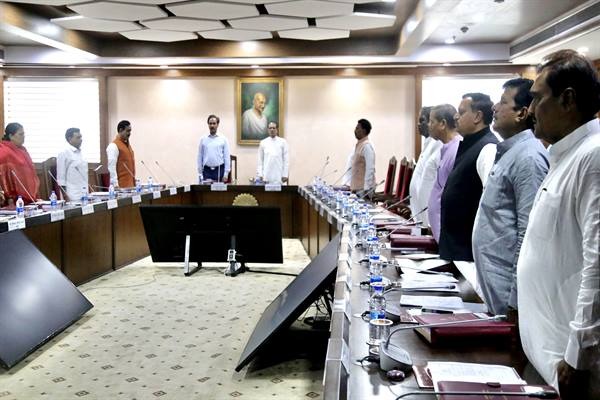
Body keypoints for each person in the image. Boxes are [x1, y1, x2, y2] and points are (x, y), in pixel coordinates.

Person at [516, 49, 600, 400]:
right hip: (549, 355)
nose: (530, 110)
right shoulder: (565, 154)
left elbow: (597, 262)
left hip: (572, 365)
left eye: (537, 99)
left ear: (567, 100)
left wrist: (578, 355)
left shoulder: (593, 155)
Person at [472, 78, 549, 317]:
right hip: (494, 283)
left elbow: (528, 234)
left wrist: (516, 301)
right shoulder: (510, 151)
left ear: (522, 113)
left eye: (503, 102)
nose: (494, 107)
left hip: (508, 291)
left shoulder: (529, 158)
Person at [439, 93, 498, 261]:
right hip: (456, 246)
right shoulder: (470, 144)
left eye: (461, 112)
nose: (455, 117)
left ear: (478, 116)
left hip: (468, 250)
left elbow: (490, 203)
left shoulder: (488, 147)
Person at [426, 104, 462, 242]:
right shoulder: (446, 147)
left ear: (442, 124)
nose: (429, 125)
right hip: (440, 232)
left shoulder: (456, 149)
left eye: (431, 121)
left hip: (448, 232)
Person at [409, 106, 442, 226]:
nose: (418, 124)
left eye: (422, 120)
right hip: (418, 212)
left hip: (429, 214)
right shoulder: (428, 142)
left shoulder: (438, 143)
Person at [0, 123, 40, 205]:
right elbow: (4, 174)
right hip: (12, 198)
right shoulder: (4, 151)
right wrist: (9, 195)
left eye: (24, 134)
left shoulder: (22, 150)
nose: (23, 136)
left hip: (28, 194)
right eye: (20, 134)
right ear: (11, 136)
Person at [57, 127, 88, 201]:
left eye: (81, 137)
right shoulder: (64, 152)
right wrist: (65, 196)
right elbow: (61, 178)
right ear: (70, 139)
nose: (81, 139)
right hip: (72, 195)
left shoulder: (80, 153)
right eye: (78, 137)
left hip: (84, 193)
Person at [198, 115, 231, 183]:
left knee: (219, 190)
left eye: (214, 123)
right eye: (210, 123)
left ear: (217, 124)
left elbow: (227, 157)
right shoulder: (203, 139)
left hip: (219, 170)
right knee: (206, 190)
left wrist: (226, 173)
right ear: (208, 124)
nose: (212, 125)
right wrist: (200, 173)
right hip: (206, 171)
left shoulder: (223, 139)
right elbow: (200, 156)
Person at [106, 120, 135, 188]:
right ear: (121, 130)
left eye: (130, 131)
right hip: (121, 187)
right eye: (127, 131)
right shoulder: (113, 146)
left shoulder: (128, 146)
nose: (129, 133)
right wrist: (115, 185)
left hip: (131, 186)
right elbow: (111, 168)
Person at [350, 118, 376, 193]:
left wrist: (366, 189)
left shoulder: (366, 146)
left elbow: (370, 168)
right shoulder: (359, 145)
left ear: (364, 131)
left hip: (363, 190)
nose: (355, 131)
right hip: (357, 189)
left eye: (357, 128)